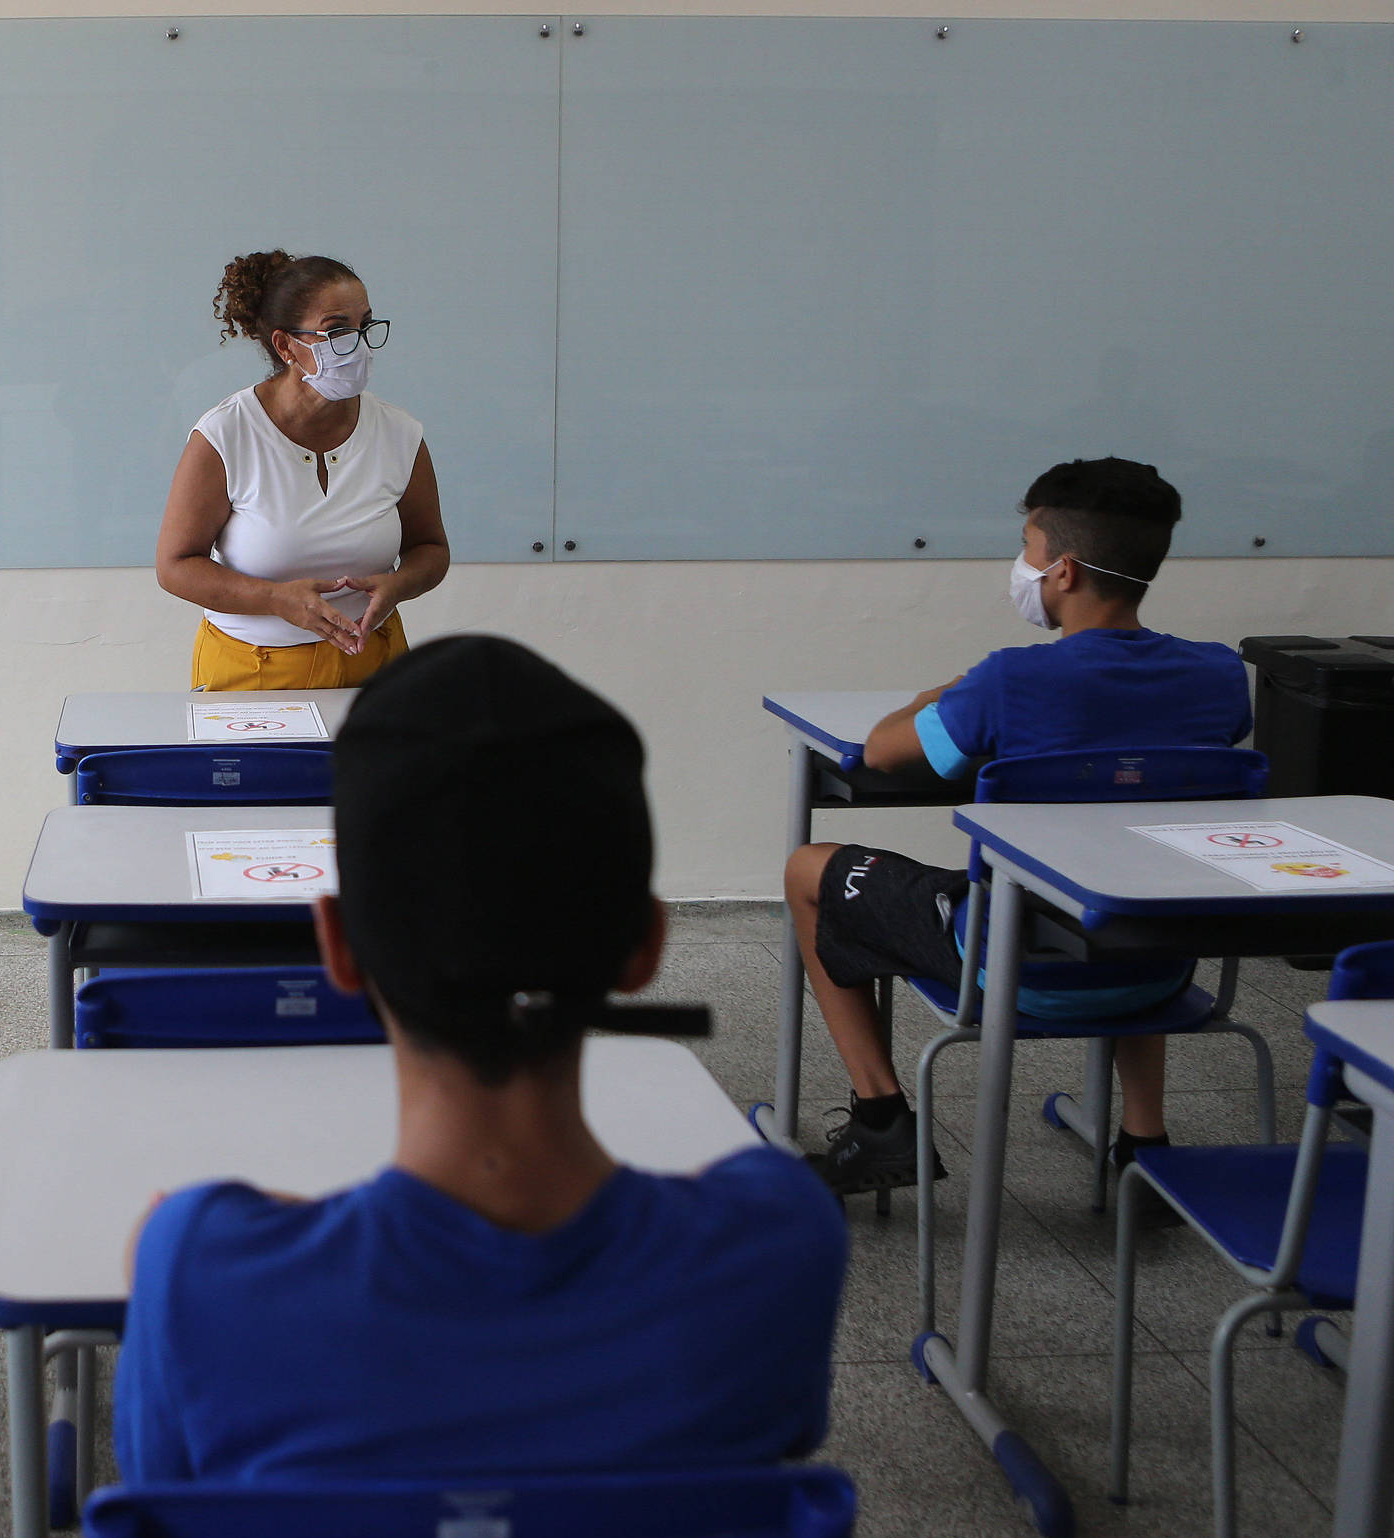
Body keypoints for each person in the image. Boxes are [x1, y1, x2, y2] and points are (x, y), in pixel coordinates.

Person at [113, 635, 846, 1483]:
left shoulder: (200, 1269)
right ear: (644, 949)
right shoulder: (781, 1239)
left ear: (339, 950)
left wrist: (233, 1240)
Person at [785, 458, 1252, 1196]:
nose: (1023, 565)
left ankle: (881, 1123)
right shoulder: (1220, 677)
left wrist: (951, 690)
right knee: (1124, 866)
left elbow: (880, 749)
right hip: (1159, 967)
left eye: (1029, 548)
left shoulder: (1009, 681)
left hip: (1016, 970)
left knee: (808, 866)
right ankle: (1144, 1143)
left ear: (1062, 571)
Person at [155, 251, 450, 692]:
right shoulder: (226, 434)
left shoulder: (399, 433)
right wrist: (275, 600)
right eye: (336, 330)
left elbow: (431, 548)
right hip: (253, 672)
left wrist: (399, 585)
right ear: (285, 345)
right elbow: (175, 567)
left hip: (376, 668)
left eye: (365, 326)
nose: (359, 344)